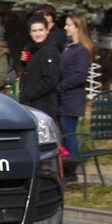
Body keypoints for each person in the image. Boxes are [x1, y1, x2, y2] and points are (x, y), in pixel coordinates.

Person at [57, 13, 96, 180]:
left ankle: (72, 168)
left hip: (72, 98)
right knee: (64, 133)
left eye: (68, 25)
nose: (65, 27)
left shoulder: (81, 50)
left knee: (69, 134)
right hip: (64, 97)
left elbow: (80, 75)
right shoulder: (70, 47)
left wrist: (61, 86)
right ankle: (66, 166)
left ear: (77, 27)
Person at [18, 15, 61, 119]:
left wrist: (29, 94)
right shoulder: (34, 50)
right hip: (32, 105)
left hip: (42, 106)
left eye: (41, 30)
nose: (38, 34)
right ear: (30, 33)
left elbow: (50, 79)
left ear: (47, 31)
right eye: (34, 31)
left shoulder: (48, 50)